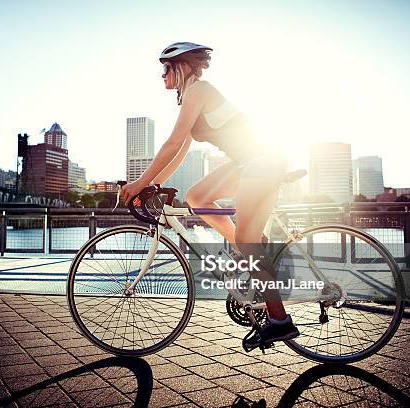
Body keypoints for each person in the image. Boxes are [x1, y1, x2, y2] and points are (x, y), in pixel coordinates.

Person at [120, 42, 299, 350]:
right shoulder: (190, 98)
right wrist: (154, 185)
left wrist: (139, 183)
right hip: (248, 163)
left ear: (183, 67)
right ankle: (251, 250)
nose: (162, 74)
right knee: (197, 196)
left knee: (245, 238)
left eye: (166, 68)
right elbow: (179, 151)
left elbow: (172, 142)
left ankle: (279, 320)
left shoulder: (199, 91)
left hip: (263, 161)